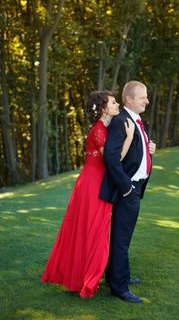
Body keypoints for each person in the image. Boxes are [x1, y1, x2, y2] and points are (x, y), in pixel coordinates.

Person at [41, 90, 135, 298]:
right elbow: (113, 159)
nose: (117, 104)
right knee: (94, 230)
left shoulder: (106, 127)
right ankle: (87, 277)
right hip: (93, 183)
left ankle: (90, 273)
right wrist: (129, 138)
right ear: (103, 108)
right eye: (113, 102)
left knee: (95, 230)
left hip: (98, 180)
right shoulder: (99, 130)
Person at [100, 81, 156, 303]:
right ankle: (119, 287)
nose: (147, 101)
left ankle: (118, 275)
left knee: (124, 237)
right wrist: (126, 188)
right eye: (143, 97)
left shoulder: (136, 121)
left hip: (135, 187)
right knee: (121, 239)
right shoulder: (121, 121)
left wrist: (149, 149)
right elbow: (111, 158)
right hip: (127, 190)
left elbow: (133, 153)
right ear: (129, 100)